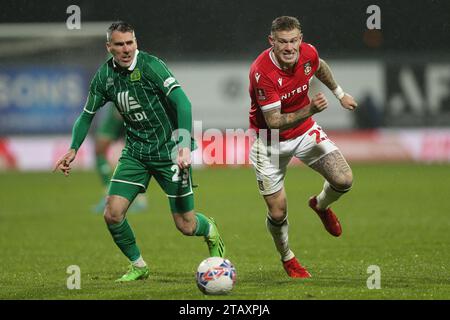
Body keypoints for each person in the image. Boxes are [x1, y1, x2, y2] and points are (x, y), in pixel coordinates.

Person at [54, 21, 225, 282]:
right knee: (112, 214)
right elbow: (87, 115)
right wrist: (73, 148)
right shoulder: (104, 77)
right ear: (109, 47)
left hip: (170, 152)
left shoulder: (150, 65)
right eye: (120, 44)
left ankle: (210, 228)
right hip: (136, 153)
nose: (126, 49)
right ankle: (139, 265)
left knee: (186, 225)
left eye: (130, 43)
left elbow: (183, 102)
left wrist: (183, 145)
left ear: (136, 43)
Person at [248, 16, 358, 278]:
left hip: (305, 131)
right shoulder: (262, 72)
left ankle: (320, 205)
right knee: (278, 212)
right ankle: (288, 258)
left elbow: (319, 66)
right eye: (283, 42)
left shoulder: (308, 53)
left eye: (294, 41)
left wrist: (340, 93)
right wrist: (310, 108)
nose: (289, 48)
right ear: (271, 42)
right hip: (270, 142)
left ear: (301, 39)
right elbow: (274, 123)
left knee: (344, 179)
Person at [93, 105, 147, 213]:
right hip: (119, 107)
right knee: (100, 148)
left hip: (132, 109)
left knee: (136, 153)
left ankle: (139, 199)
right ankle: (109, 194)